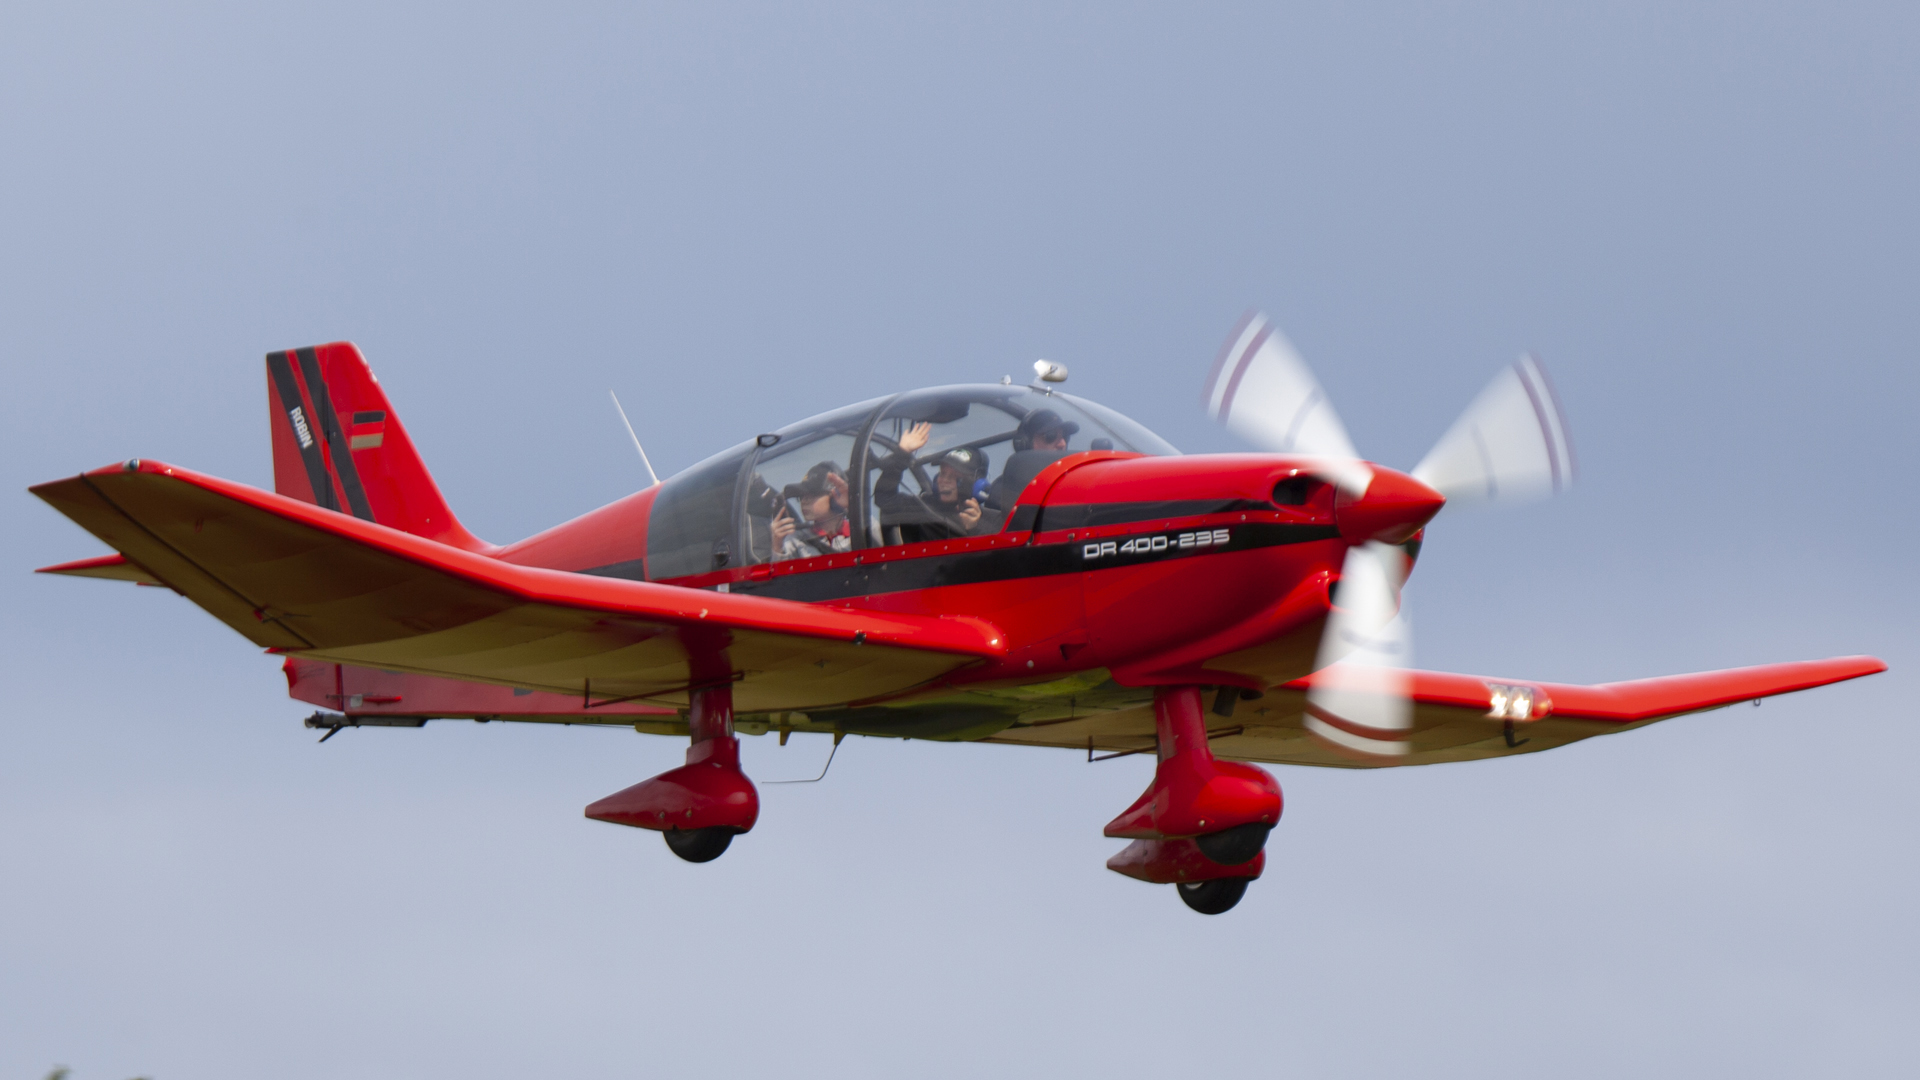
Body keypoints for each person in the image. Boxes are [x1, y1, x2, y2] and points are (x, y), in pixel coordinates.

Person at [871, 421, 997, 542]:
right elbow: (884, 498)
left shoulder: (993, 522)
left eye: (954, 476)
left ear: (975, 484)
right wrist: (902, 454)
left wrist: (973, 530)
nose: (944, 480)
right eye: (943, 473)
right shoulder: (923, 508)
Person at [985, 408, 1079, 510]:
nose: (1062, 444)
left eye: (1065, 436)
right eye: (1050, 436)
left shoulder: (1073, 486)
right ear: (1025, 444)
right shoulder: (1005, 489)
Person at [771, 462, 853, 560]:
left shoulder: (859, 530)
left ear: (835, 496)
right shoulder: (795, 540)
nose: (804, 501)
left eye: (813, 494)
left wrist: (851, 506)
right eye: (801, 497)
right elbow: (781, 569)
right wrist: (777, 547)